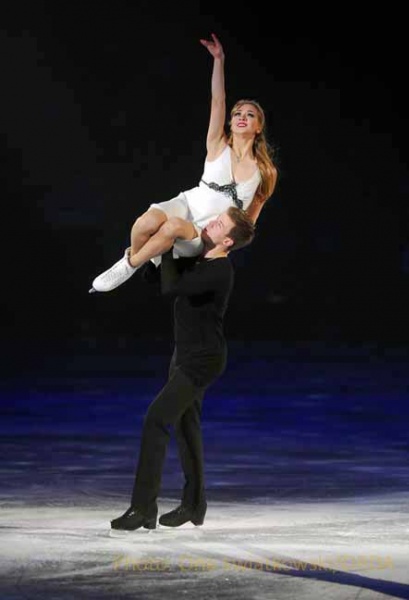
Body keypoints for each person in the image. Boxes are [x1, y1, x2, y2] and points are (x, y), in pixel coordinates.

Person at [89, 32, 277, 294]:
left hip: (206, 230)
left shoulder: (265, 171)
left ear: (258, 127)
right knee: (145, 223)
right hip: (187, 203)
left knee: (173, 227)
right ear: (231, 122)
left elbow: (248, 223)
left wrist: (222, 249)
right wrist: (219, 60)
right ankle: (138, 260)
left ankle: (129, 265)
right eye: (237, 114)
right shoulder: (217, 144)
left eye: (250, 114)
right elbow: (218, 101)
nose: (241, 116)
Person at [110, 206, 255, 531]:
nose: (211, 222)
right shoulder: (198, 258)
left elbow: (172, 287)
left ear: (227, 242)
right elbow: (155, 277)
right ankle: (194, 505)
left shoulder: (220, 270)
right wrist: (156, 248)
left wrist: (170, 239)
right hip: (184, 355)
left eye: (219, 224)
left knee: (156, 420)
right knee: (186, 427)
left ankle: (143, 508)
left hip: (203, 359)